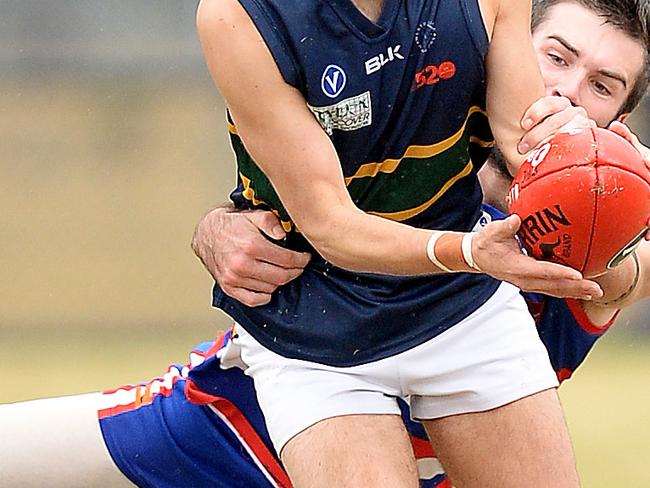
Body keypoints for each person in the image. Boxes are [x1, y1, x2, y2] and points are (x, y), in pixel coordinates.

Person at [1, 0, 648, 486]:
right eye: (557, 59)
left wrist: (614, 207)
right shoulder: (262, 26)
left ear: (618, 125)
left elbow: (617, 272)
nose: (565, 91)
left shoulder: (581, 247)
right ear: (497, 52)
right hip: (258, 411)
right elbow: (325, 213)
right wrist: (221, 222)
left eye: (603, 86)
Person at [193, 0, 603, 486]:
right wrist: (468, 252)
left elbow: (523, 143)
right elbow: (330, 225)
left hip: (464, 306)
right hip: (316, 326)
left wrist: (600, 164)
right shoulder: (238, 13)